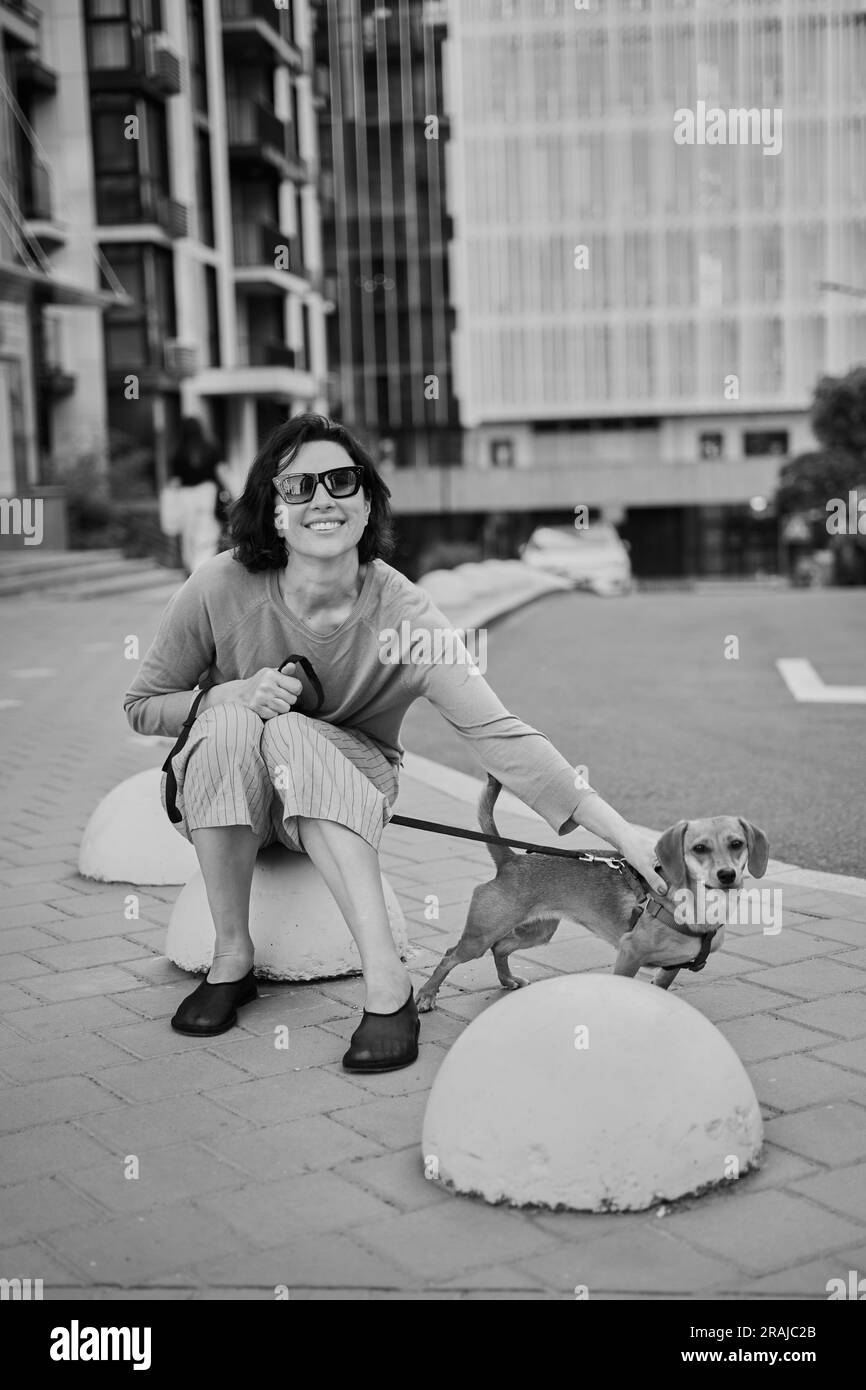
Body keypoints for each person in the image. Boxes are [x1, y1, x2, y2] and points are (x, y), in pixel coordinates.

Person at [124, 414, 668, 1073]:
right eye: (298, 486)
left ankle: (389, 986)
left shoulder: (402, 613)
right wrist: (224, 695)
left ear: (366, 501)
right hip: (226, 794)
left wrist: (621, 835)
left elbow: (498, 734)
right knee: (236, 719)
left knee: (292, 731)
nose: (322, 497)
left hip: (351, 788)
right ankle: (232, 958)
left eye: (341, 480)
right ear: (272, 510)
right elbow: (143, 707)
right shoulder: (219, 586)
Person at [166, 416, 231, 575]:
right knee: (207, 539)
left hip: (185, 499)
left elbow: (174, 482)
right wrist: (235, 494)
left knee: (189, 541)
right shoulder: (211, 448)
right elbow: (222, 472)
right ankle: (200, 572)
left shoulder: (178, 451)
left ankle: (192, 571)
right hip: (207, 496)